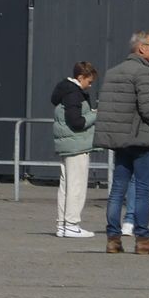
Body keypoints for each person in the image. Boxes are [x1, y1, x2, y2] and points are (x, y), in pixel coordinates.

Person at [92, 31, 149, 256]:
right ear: (142, 48)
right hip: (141, 138)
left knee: (117, 189)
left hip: (120, 139)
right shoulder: (144, 71)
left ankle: (113, 238)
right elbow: (148, 108)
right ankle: (143, 238)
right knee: (144, 190)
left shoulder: (113, 71)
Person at [50, 61, 98, 239]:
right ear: (81, 77)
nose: (90, 85)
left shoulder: (65, 91)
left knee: (66, 185)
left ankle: (63, 224)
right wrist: (95, 113)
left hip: (67, 145)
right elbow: (77, 122)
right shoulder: (74, 94)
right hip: (76, 145)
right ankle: (71, 223)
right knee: (76, 186)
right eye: (89, 81)